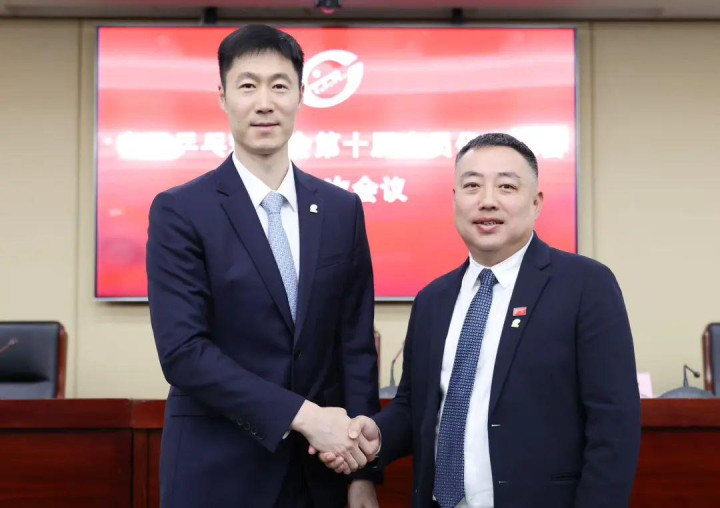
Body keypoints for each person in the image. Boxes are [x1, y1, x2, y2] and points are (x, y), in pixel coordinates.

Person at [321, 132, 641, 507]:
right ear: (455, 199)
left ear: (536, 202)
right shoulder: (432, 300)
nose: (487, 200)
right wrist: (378, 435)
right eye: (472, 186)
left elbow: (614, 424)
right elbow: (414, 407)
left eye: (506, 186)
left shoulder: (585, 285)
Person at [146, 24, 380, 508]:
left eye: (279, 85)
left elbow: (355, 347)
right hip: (218, 471)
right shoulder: (182, 210)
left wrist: (362, 475)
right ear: (223, 96)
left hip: (321, 475)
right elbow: (184, 353)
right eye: (247, 86)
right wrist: (305, 416)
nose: (264, 103)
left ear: (301, 95)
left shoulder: (342, 210)